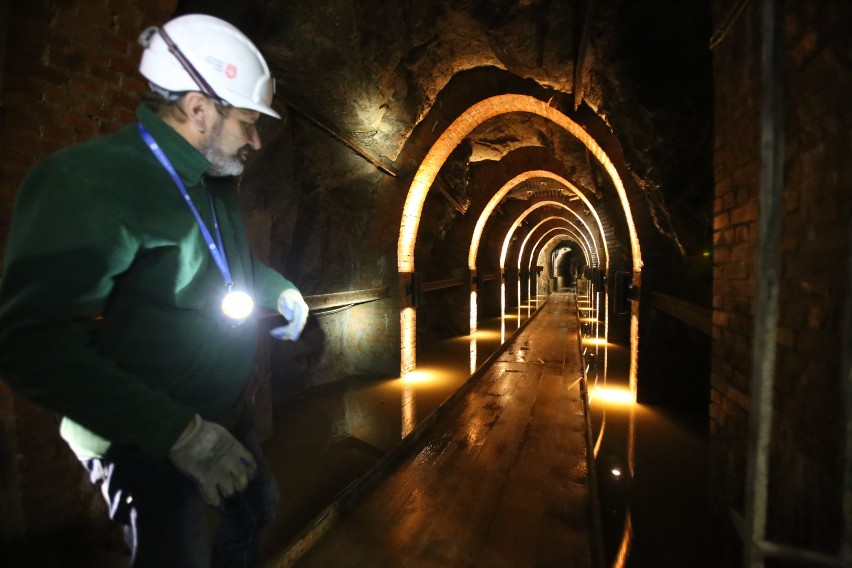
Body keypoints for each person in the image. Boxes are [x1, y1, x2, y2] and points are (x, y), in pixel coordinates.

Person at [0, 14, 309, 568]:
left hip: (220, 409)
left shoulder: (213, 181)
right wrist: (180, 433)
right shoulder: (89, 183)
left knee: (259, 506)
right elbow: (30, 345)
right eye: (246, 122)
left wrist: (280, 288)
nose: (256, 140)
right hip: (144, 436)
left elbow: (227, 266)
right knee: (176, 555)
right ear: (198, 109)